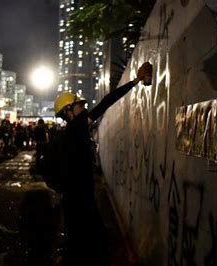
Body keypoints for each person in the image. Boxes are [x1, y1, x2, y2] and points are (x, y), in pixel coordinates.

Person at [47, 62, 152, 266]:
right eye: (79, 105)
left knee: (77, 245)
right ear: (69, 111)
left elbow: (47, 168)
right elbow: (105, 103)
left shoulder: (67, 134)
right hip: (80, 201)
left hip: (74, 200)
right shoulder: (75, 130)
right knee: (92, 246)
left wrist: (63, 187)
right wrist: (135, 81)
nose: (83, 107)